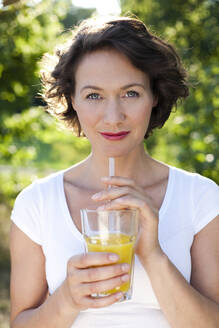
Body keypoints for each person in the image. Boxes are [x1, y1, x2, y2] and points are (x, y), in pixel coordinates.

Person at [10, 15, 219, 328]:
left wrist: (152, 254)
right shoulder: (36, 204)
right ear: (73, 100)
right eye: (94, 95)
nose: (113, 116)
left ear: (155, 96)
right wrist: (67, 298)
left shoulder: (201, 198)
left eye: (131, 93)